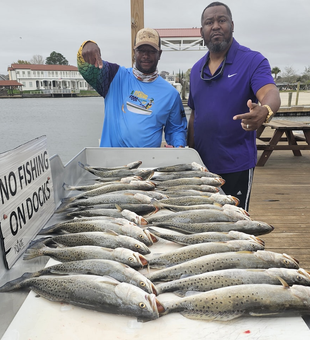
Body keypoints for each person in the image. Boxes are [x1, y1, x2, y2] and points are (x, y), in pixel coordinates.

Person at [187, 2, 281, 210]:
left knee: (235, 226)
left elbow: (270, 92)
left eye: (222, 20)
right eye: (209, 22)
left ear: (232, 25)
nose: (215, 26)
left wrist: (265, 111)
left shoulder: (252, 61)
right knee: (203, 223)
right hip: (202, 167)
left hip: (235, 165)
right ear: (202, 31)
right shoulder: (196, 70)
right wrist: (189, 153)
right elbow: (195, 114)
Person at [77, 28, 187, 148]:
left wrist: (178, 146)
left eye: (151, 51)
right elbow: (86, 68)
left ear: (159, 54)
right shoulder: (113, 76)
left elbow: (176, 129)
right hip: (110, 163)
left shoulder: (171, 94)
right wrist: (88, 45)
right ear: (134, 52)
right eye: (141, 50)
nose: (145, 55)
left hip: (148, 164)